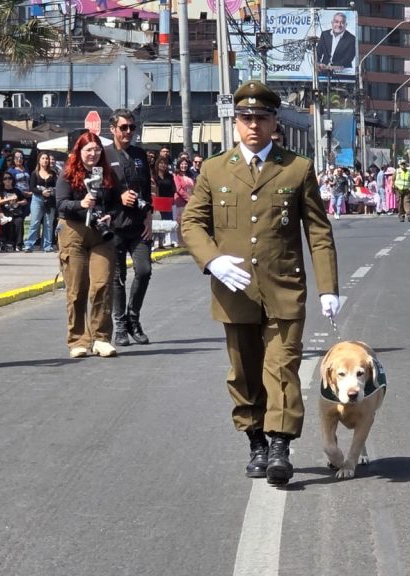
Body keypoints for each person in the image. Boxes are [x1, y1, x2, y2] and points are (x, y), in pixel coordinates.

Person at [180, 80, 339, 487]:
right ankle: (256, 442)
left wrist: (328, 288)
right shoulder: (215, 169)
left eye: (261, 118)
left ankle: (280, 445)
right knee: (244, 373)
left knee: (282, 367)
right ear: (235, 122)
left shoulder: (297, 168)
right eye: (246, 118)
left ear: (274, 122)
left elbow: (318, 232)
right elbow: (192, 223)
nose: (253, 125)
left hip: (283, 288)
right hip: (234, 291)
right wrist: (212, 260)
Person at [55, 131, 122, 359]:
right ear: (79, 151)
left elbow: (117, 203)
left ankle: (101, 338)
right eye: (88, 150)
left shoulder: (108, 174)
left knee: (102, 284)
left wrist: (111, 216)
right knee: (77, 289)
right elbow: (61, 204)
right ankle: (78, 340)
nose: (93, 154)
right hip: (73, 231)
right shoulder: (67, 174)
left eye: (97, 150)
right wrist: (80, 204)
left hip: (101, 234)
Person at [102, 109, 154, 347]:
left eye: (132, 127)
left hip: (138, 225)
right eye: (123, 127)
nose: (128, 132)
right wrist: (119, 197)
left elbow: (146, 190)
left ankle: (134, 318)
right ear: (112, 129)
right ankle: (120, 325)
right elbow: (100, 191)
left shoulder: (139, 154)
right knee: (118, 278)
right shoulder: (104, 155)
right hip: (115, 225)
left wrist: (149, 216)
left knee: (144, 271)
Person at [24, 151, 58, 253]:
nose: (45, 160)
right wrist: (41, 192)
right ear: (39, 160)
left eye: (47, 158)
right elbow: (32, 188)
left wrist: (50, 192)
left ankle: (47, 246)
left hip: (50, 200)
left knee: (48, 224)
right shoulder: (34, 173)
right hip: (37, 199)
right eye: (43, 158)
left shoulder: (53, 173)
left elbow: (57, 186)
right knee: (35, 222)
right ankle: (29, 245)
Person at [0, 171, 28, 250]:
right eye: (5, 178)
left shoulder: (16, 190)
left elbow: (25, 201)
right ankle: (6, 243)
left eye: (9, 178)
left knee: (19, 221)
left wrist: (18, 203)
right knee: (5, 223)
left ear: (12, 180)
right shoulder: (0, 191)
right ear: (3, 181)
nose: (7, 180)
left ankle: (18, 244)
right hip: (5, 214)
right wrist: (9, 198)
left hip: (16, 213)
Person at [151, 155, 178, 248]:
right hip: (156, 201)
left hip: (167, 202)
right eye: (161, 163)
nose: (163, 165)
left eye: (165, 163)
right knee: (157, 222)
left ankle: (162, 242)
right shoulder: (153, 176)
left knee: (166, 222)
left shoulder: (169, 176)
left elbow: (173, 188)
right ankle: (154, 242)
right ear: (157, 164)